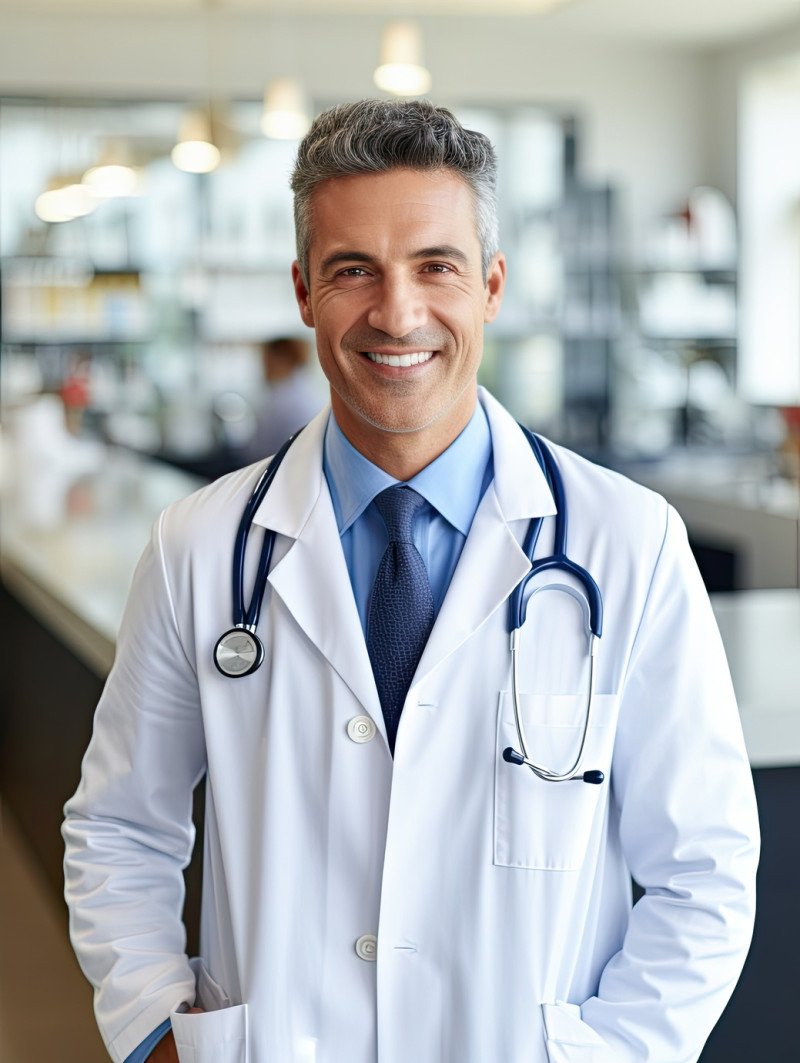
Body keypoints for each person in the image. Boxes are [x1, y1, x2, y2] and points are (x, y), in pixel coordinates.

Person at [63, 99, 759, 1063]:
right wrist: (156, 1034)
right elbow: (119, 830)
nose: (398, 313)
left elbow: (705, 872)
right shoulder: (200, 545)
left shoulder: (627, 543)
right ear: (304, 290)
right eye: (354, 270)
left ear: (492, 287)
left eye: (437, 265)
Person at [240, 335, 324, 462]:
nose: (262, 367)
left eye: (265, 360)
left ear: (280, 359)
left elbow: (258, 451)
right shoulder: (306, 393)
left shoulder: (284, 401)